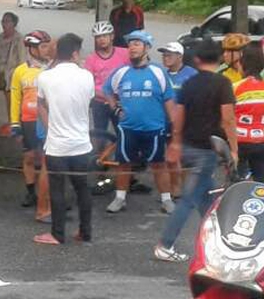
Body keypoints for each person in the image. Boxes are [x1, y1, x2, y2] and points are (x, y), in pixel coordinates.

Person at [155, 40, 238, 262]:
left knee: (207, 198)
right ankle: (165, 244)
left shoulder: (189, 83)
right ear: (219, 59)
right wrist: (234, 150)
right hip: (206, 149)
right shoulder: (222, 83)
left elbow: (178, 116)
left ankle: (218, 241)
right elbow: (228, 119)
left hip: (186, 147)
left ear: (197, 60)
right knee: (188, 199)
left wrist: (175, 143)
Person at [104, 31, 178, 215]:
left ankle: (166, 200)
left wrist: (175, 130)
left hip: (154, 128)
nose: (132, 48)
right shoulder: (121, 72)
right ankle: (120, 198)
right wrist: (116, 109)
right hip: (127, 128)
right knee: (124, 164)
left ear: (147, 47)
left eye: (137, 44)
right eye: (130, 44)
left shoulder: (158, 72)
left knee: (158, 164)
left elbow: (169, 100)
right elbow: (107, 90)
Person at [33, 34, 98, 246]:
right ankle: (85, 231)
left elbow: (40, 104)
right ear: (75, 53)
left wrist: (50, 126)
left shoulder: (45, 77)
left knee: (57, 189)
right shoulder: (86, 76)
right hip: (81, 144)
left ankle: (57, 234)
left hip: (57, 145)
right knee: (82, 189)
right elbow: (88, 101)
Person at [10, 30, 53, 220]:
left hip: (47, 120)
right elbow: (15, 98)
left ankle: (49, 196)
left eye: (47, 46)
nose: (46, 50)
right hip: (28, 120)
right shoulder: (20, 71)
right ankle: (30, 191)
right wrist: (14, 123)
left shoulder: (52, 69)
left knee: (47, 159)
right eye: (43, 46)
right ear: (32, 49)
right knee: (29, 157)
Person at [83, 21, 129, 151]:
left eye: (104, 36)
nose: (101, 39)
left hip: (120, 101)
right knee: (99, 135)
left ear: (112, 36)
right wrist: (105, 95)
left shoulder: (124, 54)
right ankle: (100, 157)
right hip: (100, 101)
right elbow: (88, 84)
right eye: (98, 37)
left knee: (123, 132)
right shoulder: (91, 59)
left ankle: (123, 156)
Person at [159, 41, 198, 195]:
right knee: (170, 158)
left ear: (180, 57)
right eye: (164, 55)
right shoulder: (162, 75)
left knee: (184, 158)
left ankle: (187, 189)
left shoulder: (191, 74)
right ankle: (175, 189)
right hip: (165, 122)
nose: (165, 57)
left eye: (169, 55)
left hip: (185, 123)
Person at [233, 44, 264, 184]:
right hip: (262, 141)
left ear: (243, 63)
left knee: (236, 184)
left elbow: (227, 116)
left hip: (240, 142)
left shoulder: (236, 87)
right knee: (263, 185)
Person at [0, 12, 25, 110]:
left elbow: (22, 59)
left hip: (13, 74)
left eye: (8, 21)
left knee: (13, 102)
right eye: (3, 21)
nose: (4, 24)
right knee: (8, 101)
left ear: (14, 23)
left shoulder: (19, 39)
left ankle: (14, 119)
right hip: (2, 74)